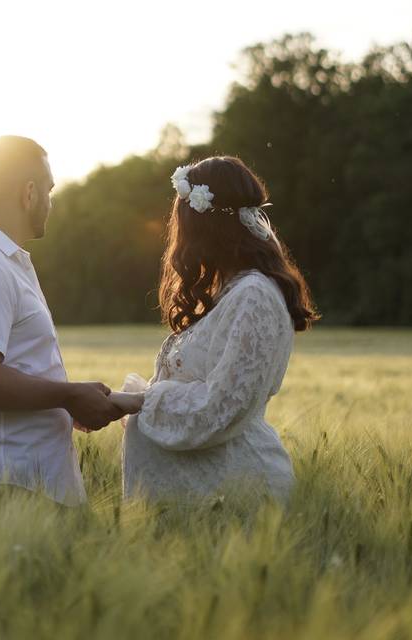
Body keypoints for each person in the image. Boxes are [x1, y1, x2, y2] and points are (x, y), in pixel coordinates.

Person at [0, 135, 128, 506]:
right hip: (4, 489)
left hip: (14, 484)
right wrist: (68, 395)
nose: (50, 202)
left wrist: (61, 404)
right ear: (28, 193)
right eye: (49, 190)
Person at [120, 156, 320, 503]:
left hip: (234, 493)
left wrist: (138, 402)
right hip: (204, 494)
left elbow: (220, 407)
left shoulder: (253, 296)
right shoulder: (227, 293)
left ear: (202, 226)